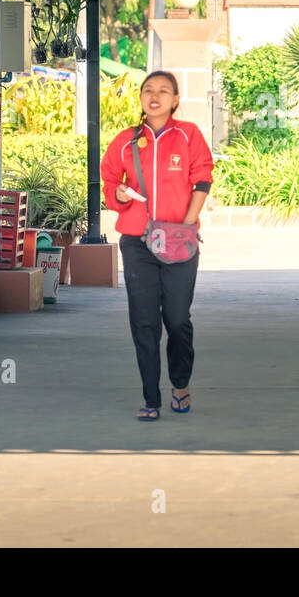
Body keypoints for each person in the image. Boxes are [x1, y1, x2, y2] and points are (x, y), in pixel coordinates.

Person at [101, 70, 214, 421]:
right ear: (141, 98)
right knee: (144, 320)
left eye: (164, 91)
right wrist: (118, 194)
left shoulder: (189, 135)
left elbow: (203, 179)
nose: (155, 96)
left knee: (177, 319)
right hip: (137, 242)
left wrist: (186, 226)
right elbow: (109, 181)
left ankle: (180, 384)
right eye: (148, 90)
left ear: (175, 100)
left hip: (179, 241)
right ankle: (151, 398)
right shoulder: (125, 140)